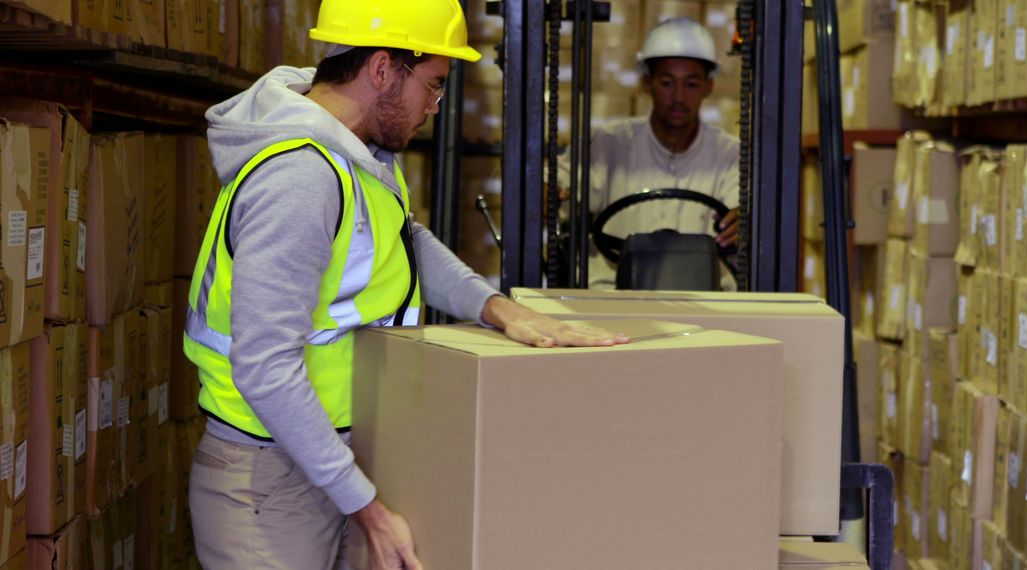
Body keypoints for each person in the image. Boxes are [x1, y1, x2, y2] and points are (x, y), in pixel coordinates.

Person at [182, 1, 628, 569]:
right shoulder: (301, 178)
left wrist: (497, 309)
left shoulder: (355, 156)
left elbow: (403, 239)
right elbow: (264, 365)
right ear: (383, 69)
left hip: (327, 458)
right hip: (268, 483)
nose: (434, 107)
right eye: (434, 85)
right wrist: (366, 505)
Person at [560, 17, 741, 289]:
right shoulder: (607, 144)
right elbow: (560, 190)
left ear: (708, 87)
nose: (679, 97)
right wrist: (551, 192)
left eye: (691, 84)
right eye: (667, 83)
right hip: (612, 299)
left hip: (705, 299)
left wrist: (743, 220)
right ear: (647, 84)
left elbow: (743, 209)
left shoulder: (730, 154)